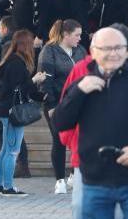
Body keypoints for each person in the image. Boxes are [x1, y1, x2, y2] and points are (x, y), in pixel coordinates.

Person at [53, 26, 128, 219]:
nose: (113, 53)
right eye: (105, 48)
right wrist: (78, 93)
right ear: (93, 52)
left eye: (118, 48)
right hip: (94, 180)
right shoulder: (82, 83)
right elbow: (60, 122)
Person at [0, 29, 40, 197]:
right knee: (12, 150)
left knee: (5, 149)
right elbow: (19, 88)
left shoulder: (8, 60)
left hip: (5, 109)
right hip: (13, 111)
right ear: (26, 44)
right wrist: (35, 80)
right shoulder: (17, 63)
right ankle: (8, 187)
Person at [38, 19, 88, 194]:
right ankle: (60, 179)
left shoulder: (80, 51)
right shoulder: (49, 51)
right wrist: (51, 104)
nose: (79, 38)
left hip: (79, 103)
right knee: (59, 140)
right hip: (57, 103)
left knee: (78, 139)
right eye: (77, 35)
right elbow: (46, 80)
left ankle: (74, 173)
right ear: (65, 35)